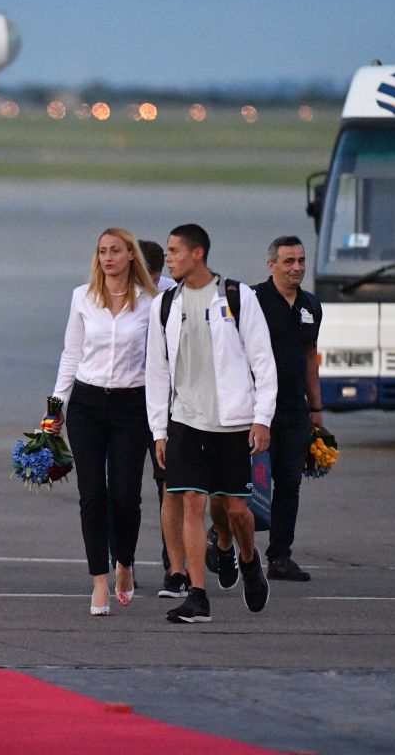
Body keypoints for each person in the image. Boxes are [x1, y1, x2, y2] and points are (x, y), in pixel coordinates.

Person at [145, 223, 277, 623]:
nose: (167, 258)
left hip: (233, 422)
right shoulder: (165, 304)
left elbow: (262, 361)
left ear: (197, 253)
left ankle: (250, 563)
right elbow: (156, 370)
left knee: (236, 511)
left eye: (174, 250)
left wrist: (262, 418)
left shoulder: (237, 296)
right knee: (190, 503)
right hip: (185, 419)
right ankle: (197, 596)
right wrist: (159, 430)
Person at [48, 228, 157, 616]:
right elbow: (71, 354)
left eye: (115, 251)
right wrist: (54, 407)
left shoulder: (150, 303)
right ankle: (99, 580)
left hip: (133, 405)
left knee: (126, 496)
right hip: (88, 405)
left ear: (131, 256)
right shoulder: (83, 297)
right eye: (102, 251)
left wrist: (162, 417)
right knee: (92, 494)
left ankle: (124, 563)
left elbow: (158, 365)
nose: (108, 258)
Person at [241, 235, 323, 582]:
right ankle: (225, 543)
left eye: (301, 260)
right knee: (244, 485)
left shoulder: (310, 305)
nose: (297, 268)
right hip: (256, 411)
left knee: (289, 483)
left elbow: (309, 356)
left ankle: (279, 557)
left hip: (294, 411)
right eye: (289, 261)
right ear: (271, 264)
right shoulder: (253, 300)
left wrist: (316, 409)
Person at [138, 239, 181, 595]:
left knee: (170, 485)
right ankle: (121, 562)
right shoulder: (107, 293)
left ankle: (175, 566)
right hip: (125, 401)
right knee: (120, 490)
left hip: (165, 404)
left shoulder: (172, 294)